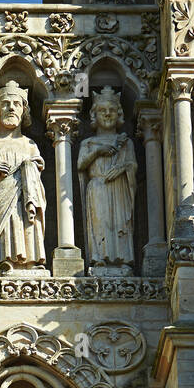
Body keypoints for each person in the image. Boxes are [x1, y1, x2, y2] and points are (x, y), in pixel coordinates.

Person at [0, 81, 46, 272]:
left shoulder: (29, 143)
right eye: (5, 104)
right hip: (3, 192)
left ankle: (31, 260)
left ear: (23, 111)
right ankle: (6, 259)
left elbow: (38, 163)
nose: (11, 108)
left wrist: (31, 167)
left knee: (27, 221)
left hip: (26, 193)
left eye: (16, 104)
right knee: (8, 224)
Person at [77, 86, 137, 272]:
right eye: (103, 110)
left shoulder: (126, 142)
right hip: (98, 187)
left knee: (119, 223)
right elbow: (80, 165)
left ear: (118, 113)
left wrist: (122, 168)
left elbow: (132, 165)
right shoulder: (88, 143)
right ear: (94, 114)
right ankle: (99, 259)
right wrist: (97, 152)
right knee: (100, 222)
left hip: (119, 186)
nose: (108, 114)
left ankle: (122, 260)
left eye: (112, 110)